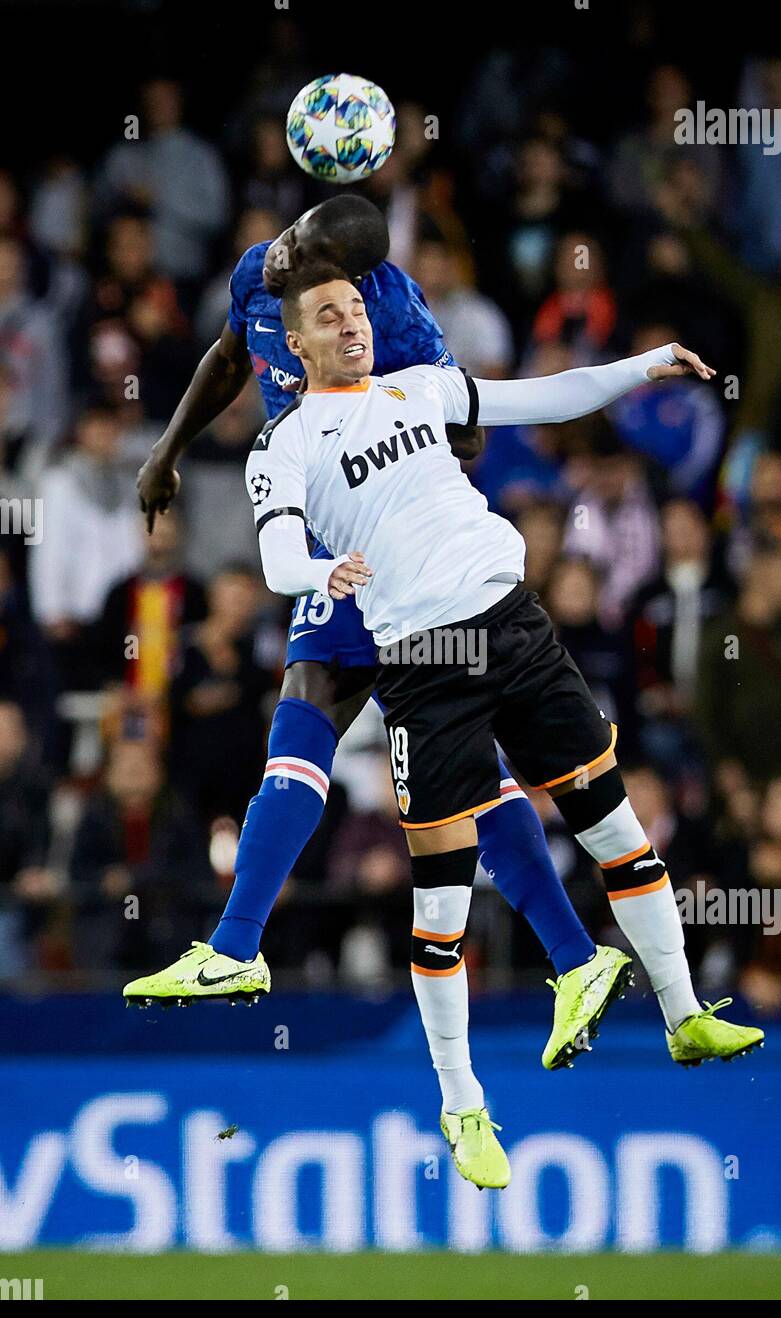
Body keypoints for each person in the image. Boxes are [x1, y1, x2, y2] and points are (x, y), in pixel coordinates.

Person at [129, 263, 764, 1189]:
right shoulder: (284, 444)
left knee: (618, 828)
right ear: (295, 345)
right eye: (329, 316)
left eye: (356, 308)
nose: (352, 322)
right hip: (422, 666)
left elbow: (542, 396)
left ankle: (684, 1014)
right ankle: (465, 1105)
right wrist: (320, 574)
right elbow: (276, 559)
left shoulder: (422, 386)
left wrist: (642, 366)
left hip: (514, 626)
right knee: (442, 905)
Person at [133, 195, 633, 1074]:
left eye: (307, 249)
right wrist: (168, 450)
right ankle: (575, 959)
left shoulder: (391, 310)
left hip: (394, 565)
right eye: (292, 238)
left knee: (331, 726)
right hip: (336, 553)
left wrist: (367, 437)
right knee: (439, 763)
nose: (282, 253)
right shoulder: (258, 273)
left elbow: (463, 432)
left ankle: (239, 946)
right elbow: (227, 356)